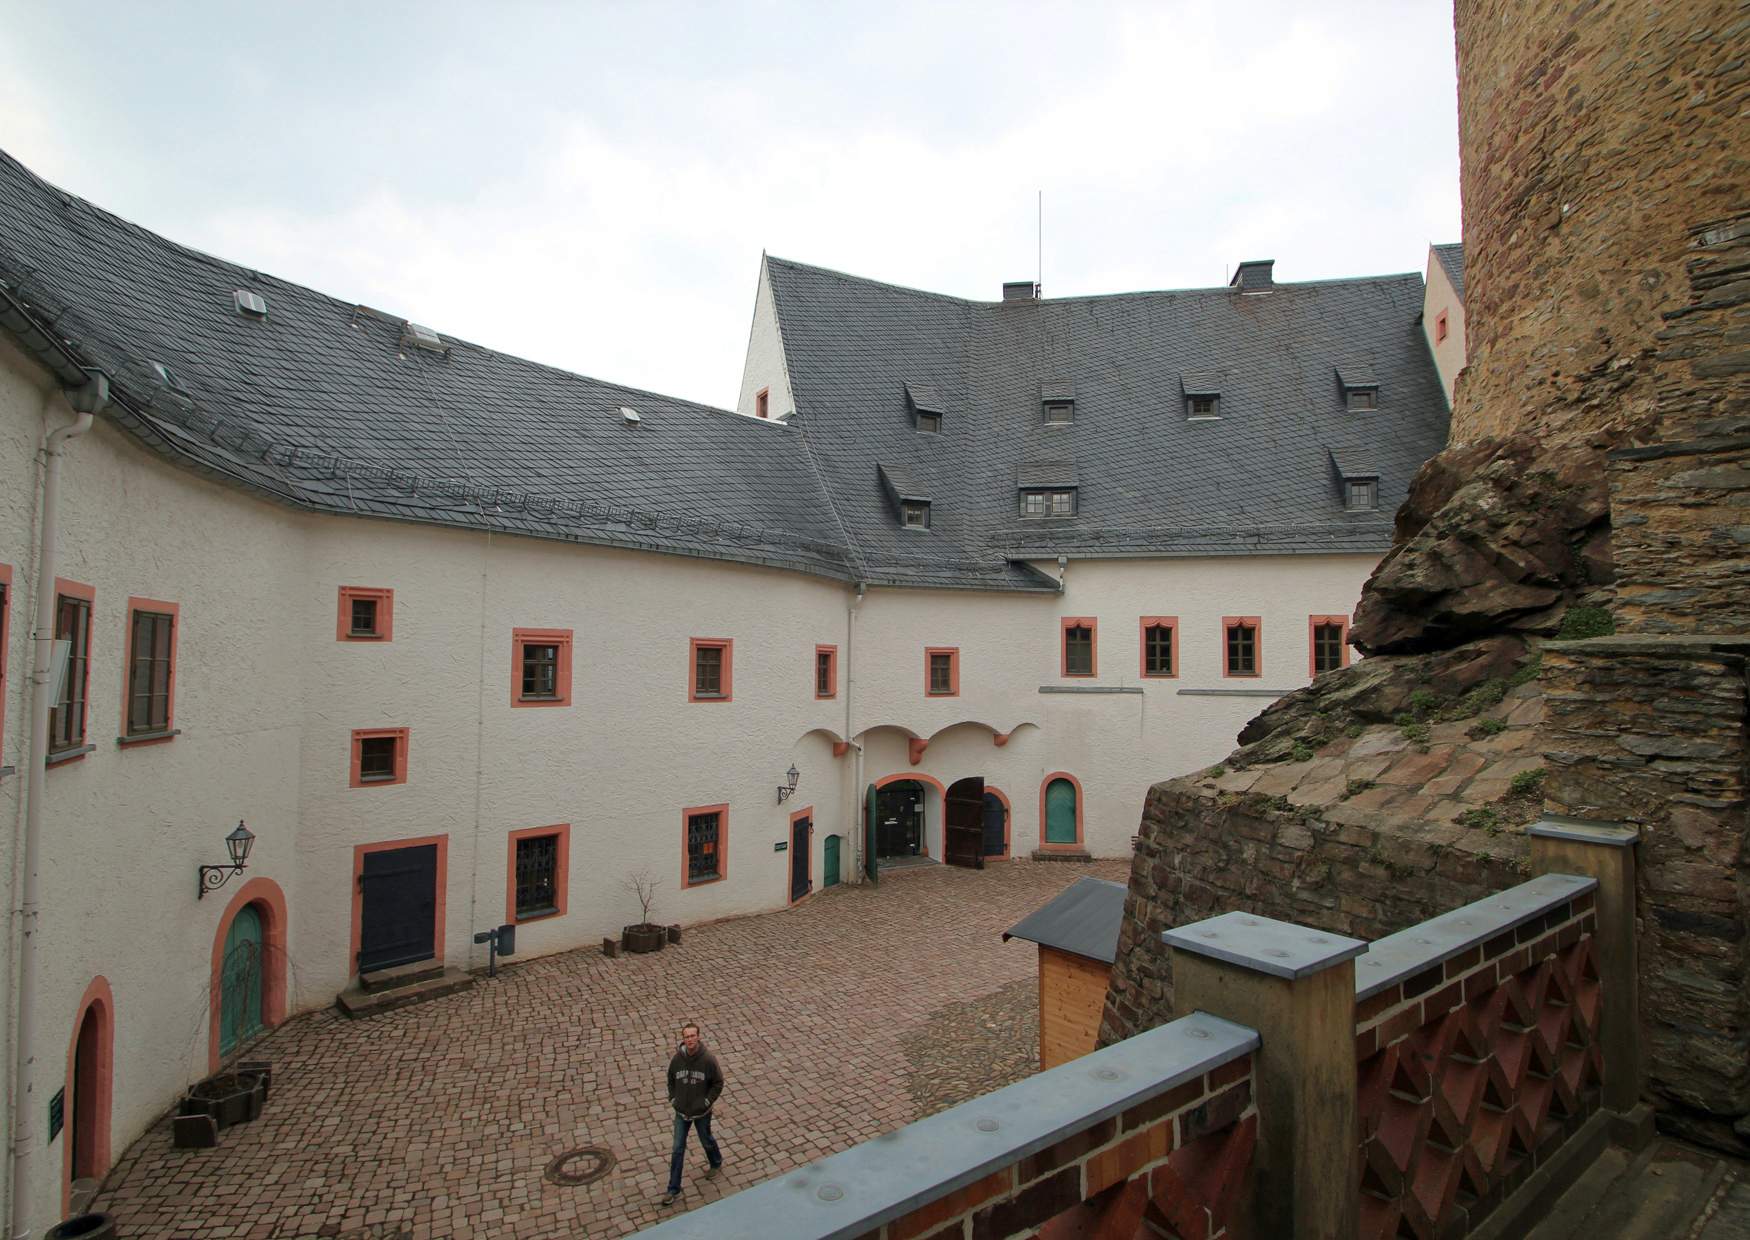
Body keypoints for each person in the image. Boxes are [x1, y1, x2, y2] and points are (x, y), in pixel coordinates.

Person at [663, 1021, 724, 1205]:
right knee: (677, 1149)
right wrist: (673, 1099)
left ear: (698, 1037)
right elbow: (671, 1080)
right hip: (681, 1112)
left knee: (706, 1139)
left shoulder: (708, 1060)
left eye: (692, 1036)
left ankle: (716, 1161)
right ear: (683, 1039)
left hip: (701, 1112)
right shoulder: (676, 1060)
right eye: (686, 1036)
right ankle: (673, 1189)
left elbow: (718, 1083)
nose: (689, 1039)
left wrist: (706, 1101)